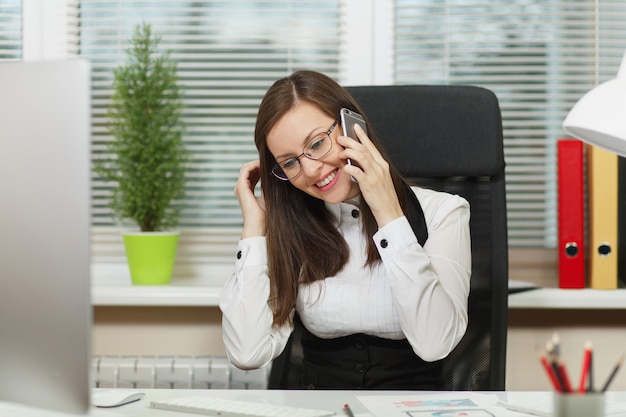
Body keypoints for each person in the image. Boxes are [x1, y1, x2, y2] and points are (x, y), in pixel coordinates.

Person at [219, 70, 471, 390]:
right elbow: (247, 352)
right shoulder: (294, 227)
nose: (310, 169)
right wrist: (254, 231)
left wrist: (389, 216)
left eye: (317, 143)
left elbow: (436, 342)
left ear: (354, 127)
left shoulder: (442, 213)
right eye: (290, 162)